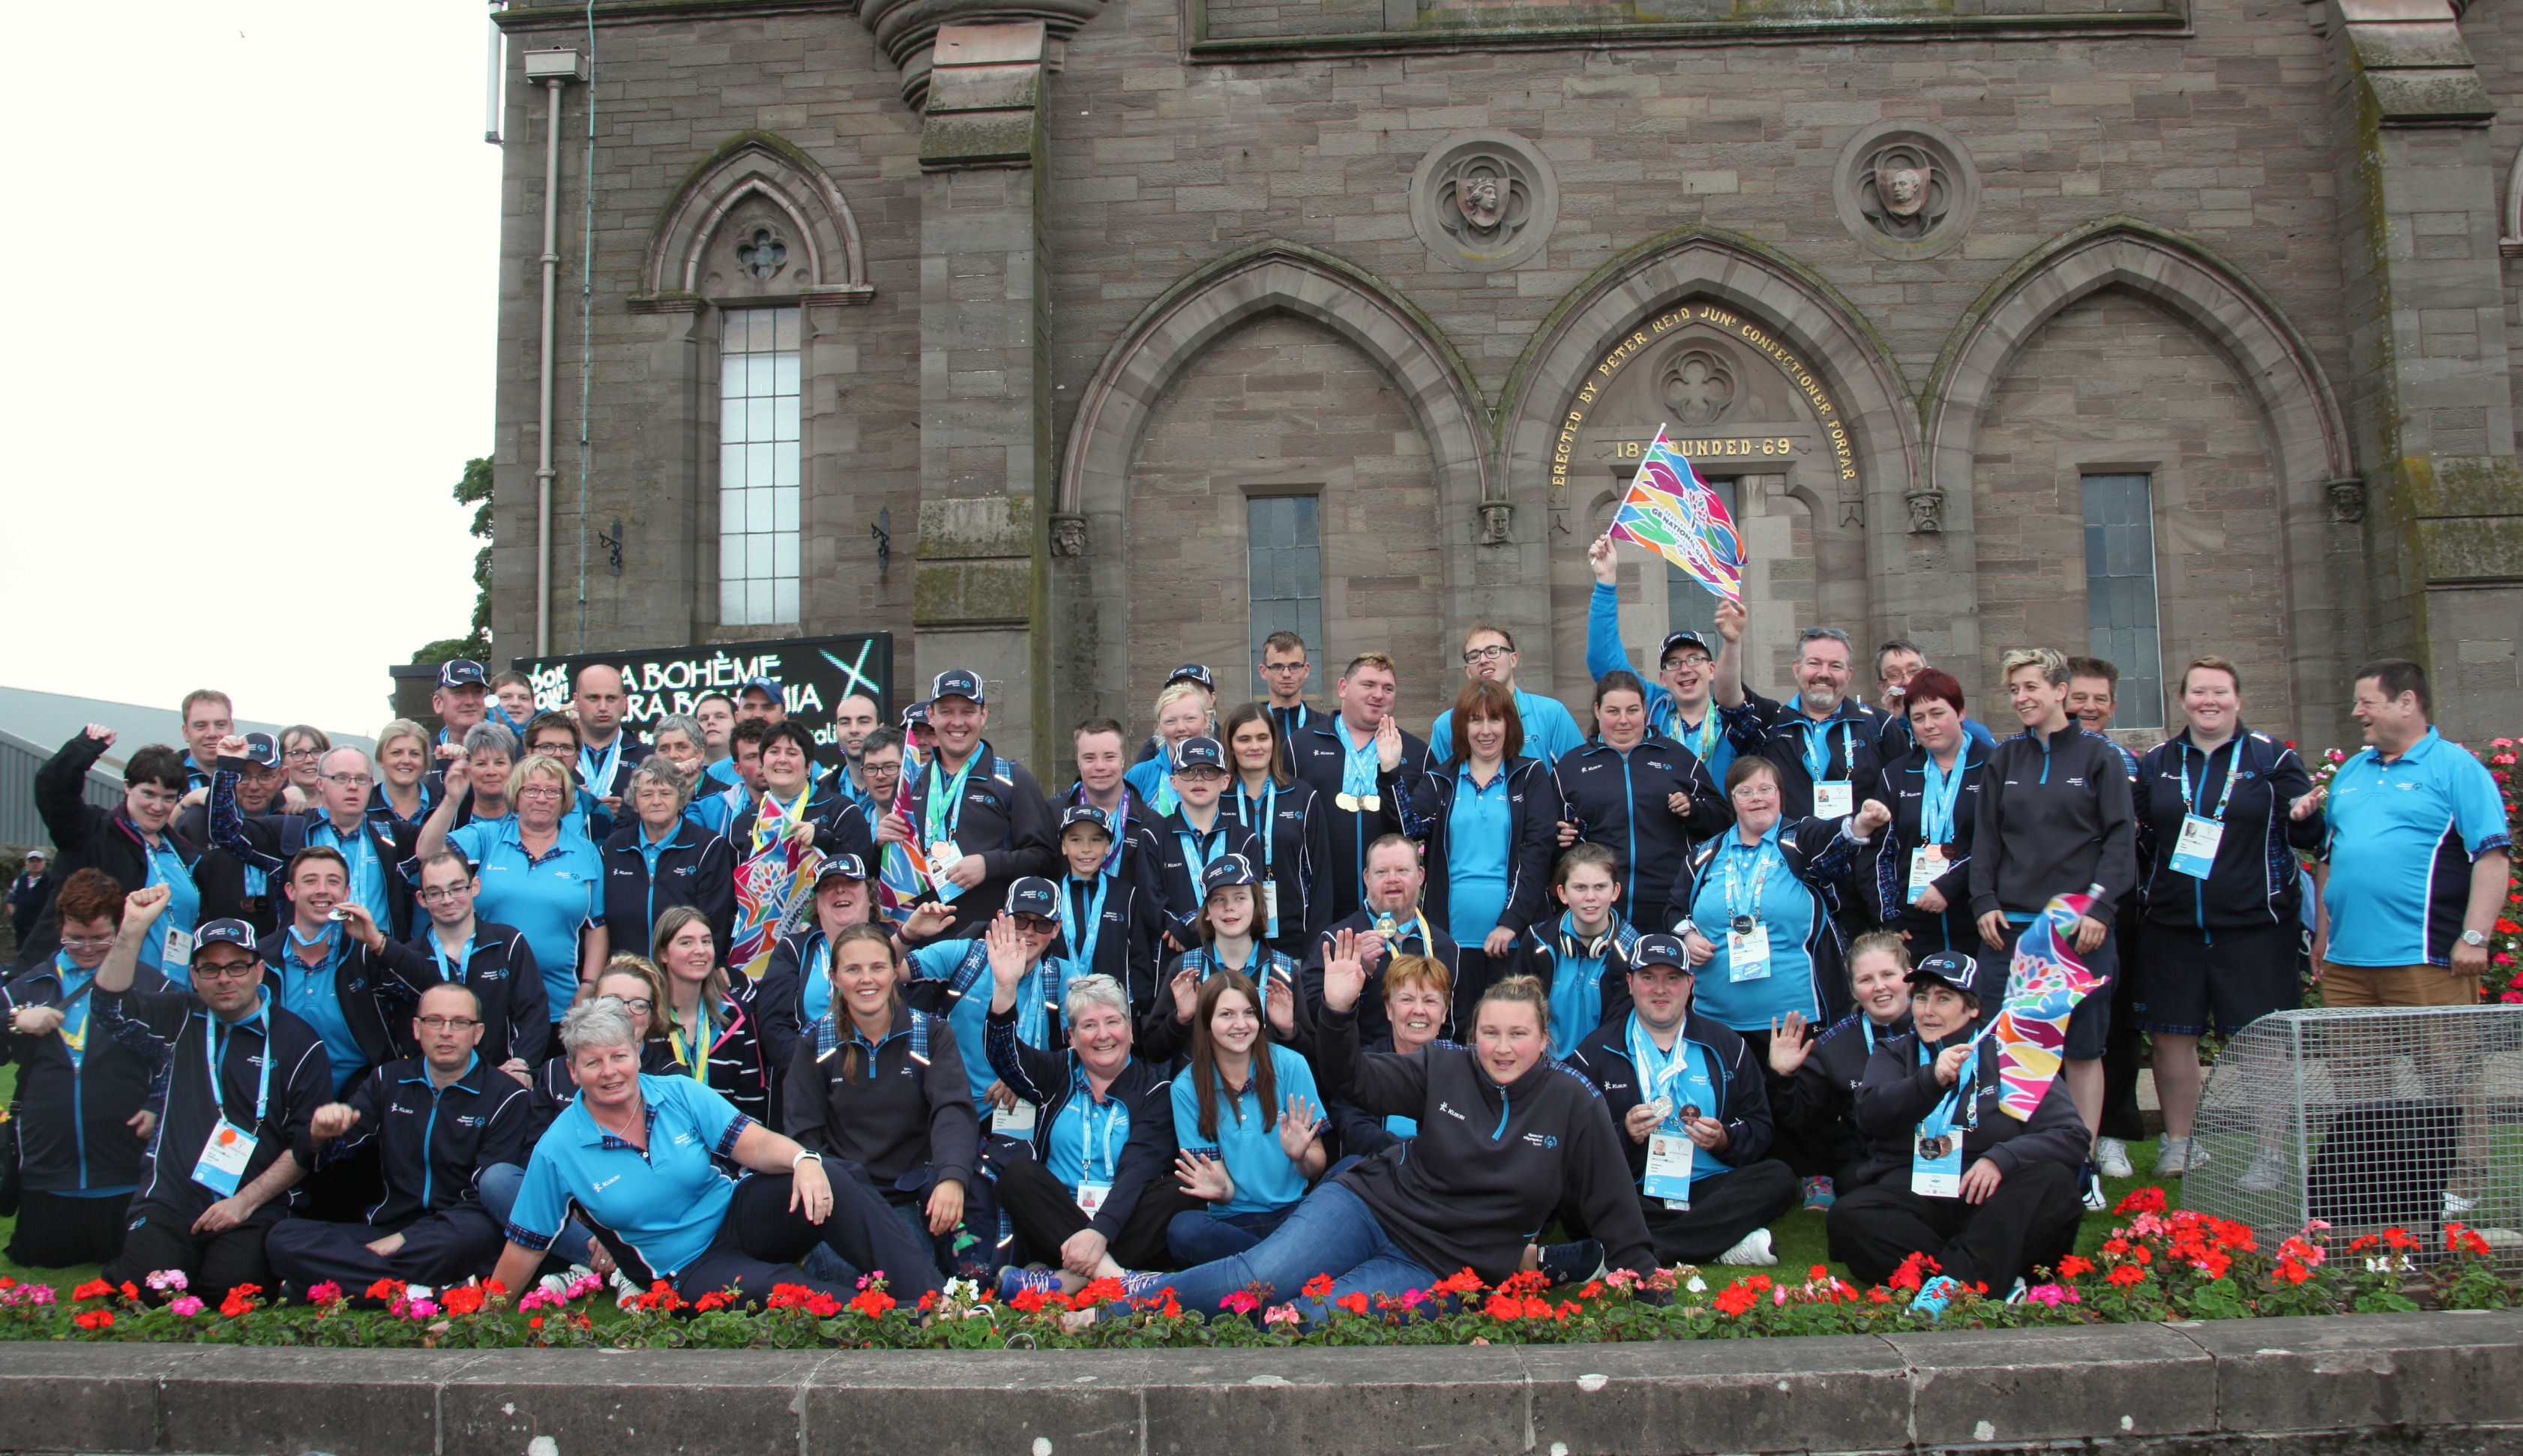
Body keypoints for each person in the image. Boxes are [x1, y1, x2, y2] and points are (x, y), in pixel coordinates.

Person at [1152, 942, 1656, 1321]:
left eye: (1518, 1035)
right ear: (1471, 1032)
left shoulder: (1573, 1101)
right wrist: (1337, 1011)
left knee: (1308, 1319)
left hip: (1442, 1265)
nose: (1502, 1049)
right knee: (1260, 1279)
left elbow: (1613, 1202)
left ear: (1545, 1039)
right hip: (1370, 1207)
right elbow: (1354, 1080)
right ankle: (1121, 1303)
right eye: (1490, 1033)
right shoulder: (1444, 1065)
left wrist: (1651, 1286)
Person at [487, 997, 945, 1306]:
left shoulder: (676, 1092)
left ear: (637, 1053)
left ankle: (937, 1302)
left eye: (619, 1056)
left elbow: (756, 1144)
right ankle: (907, 1320)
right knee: (791, 1290)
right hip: (684, 1270)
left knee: (834, 1176)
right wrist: (481, 1317)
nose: (610, 1072)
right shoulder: (558, 1149)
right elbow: (526, 1245)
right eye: (593, 1062)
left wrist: (804, 1160)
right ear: (572, 1070)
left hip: (736, 1215)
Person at [2130, 657, 2324, 1178]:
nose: (2207, 701)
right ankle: (2180, 1144)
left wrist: (2307, 816)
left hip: (2254, 928)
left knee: (2262, 1042)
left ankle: (2269, 1154)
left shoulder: (2272, 758)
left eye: (2218, 692)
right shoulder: (2158, 762)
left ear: (2237, 699)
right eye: (2197, 692)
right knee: (2173, 1036)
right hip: (2171, 926)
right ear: (2183, 699)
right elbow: (2142, 839)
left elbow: (2305, 837)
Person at [93, 894, 332, 1300]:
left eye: (237, 966)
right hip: (171, 1199)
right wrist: (131, 929)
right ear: (194, 976)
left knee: (230, 1292)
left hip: (254, 1204)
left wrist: (243, 1203)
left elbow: (306, 1147)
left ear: (259, 971)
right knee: (148, 1290)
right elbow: (110, 1010)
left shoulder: (298, 1041)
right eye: (211, 968)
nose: (224, 978)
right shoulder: (177, 1019)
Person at [1829, 952, 2090, 1311]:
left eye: (1943, 998)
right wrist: (1930, 1080)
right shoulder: (1894, 1052)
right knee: (1850, 1216)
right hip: (1918, 1192)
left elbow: (2072, 1135)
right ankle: (1987, 1281)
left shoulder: (2015, 1057)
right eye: (1921, 997)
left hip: (1993, 1194)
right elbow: (1871, 1116)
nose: (1927, 1010)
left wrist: (2002, 1158)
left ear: (1973, 1009)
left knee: (2052, 1182)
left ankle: (1950, 1289)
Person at [1967, 647, 2137, 1157]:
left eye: (2030, 687)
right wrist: (1982, 901)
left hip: (2074, 934)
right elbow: (1986, 841)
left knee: (2082, 1050)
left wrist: (2099, 909)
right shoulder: (2004, 757)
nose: (2020, 698)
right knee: (2001, 1051)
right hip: (2009, 934)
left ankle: (2078, 1163)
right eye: (2013, 689)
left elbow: (2119, 841)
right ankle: (2011, 1156)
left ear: (2060, 691)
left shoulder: (2099, 757)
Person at [263, 983, 535, 1296]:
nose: (446, 1032)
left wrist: (409, 1239)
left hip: (455, 1232)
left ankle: (329, 1284)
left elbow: (489, 1194)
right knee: (282, 1237)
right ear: (417, 1029)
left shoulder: (507, 1095)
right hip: (386, 1226)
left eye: (460, 1022)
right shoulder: (387, 1080)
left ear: (478, 1033)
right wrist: (317, 1138)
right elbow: (329, 1155)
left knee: (474, 1240)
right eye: (434, 1021)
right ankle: (426, 1293)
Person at [1560, 933, 1797, 1268]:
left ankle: (1645, 1249)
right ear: (1629, 983)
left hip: (1707, 1187)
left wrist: (1725, 1139)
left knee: (1779, 1178)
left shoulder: (1728, 1045)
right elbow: (1575, 1148)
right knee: (1574, 1196)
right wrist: (1624, 1135)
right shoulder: (1594, 1052)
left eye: (1672, 978)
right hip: (1636, 1189)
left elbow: (1759, 1128)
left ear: (1690, 984)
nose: (1660, 989)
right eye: (1648, 978)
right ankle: (1718, 1244)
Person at [781, 922, 978, 1277]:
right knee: (836, 1280)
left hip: (910, 1195)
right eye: (853, 969)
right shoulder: (815, 1042)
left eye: (877, 968)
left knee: (911, 1285)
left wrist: (952, 1177)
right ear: (835, 977)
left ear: (893, 972)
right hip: (842, 1197)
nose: (866, 979)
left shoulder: (931, 1034)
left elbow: (952, 1111)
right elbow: (803, 1129)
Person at [981, 960, 1183, 1299]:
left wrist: (1099, 1231)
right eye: (1089, 1025)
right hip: (1055, 1226)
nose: (1103, 1035)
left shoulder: (1155, 1090)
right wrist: (1005, 991)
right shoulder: (1058, 1070)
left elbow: (1139, 1170)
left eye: (1113, 1022)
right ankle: (1119, 1279)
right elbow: (1004, 1056)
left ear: (1131, 1032)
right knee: (1017, 1175)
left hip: (1121, 1222)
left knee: (1180, 1193)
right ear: (1072, 1037)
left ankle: (1061, 1282)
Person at [2315, 658, 2511, 1007]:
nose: (2356, 712)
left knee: (2442, 1064)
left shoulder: (2457, 768)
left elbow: (2492, 857)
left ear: (2406, 702)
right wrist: (2322, 935)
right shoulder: (2349, 772)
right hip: (2345, 966)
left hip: (2426, 961)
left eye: (2367, 702)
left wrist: (2475, 938)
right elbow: (2329, 859)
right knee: (2353, 1065)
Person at [1671, 757, 1888, 1059]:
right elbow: (1675, 909)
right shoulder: (1705, 855)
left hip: (1798, 1023)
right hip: (1716, 1024)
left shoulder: (1800, 840)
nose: (1757, 798)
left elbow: (1832, 838)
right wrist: (1688, 937)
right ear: (1732, 800)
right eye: (1745, 791)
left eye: (1765, 789)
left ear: (1780, 795)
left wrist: (1861, 824)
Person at [1, 870, 162, 1267]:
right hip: (47, 1170)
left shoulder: (150, 985)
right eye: (75, 938)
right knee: (39, 1261)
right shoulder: (29, 985)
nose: (86, 949)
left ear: (118, 928)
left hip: (123, 1167)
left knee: (124, 1265)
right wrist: (14, 1019)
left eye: (99, 938)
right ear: (60, 928)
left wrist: (157, 1103)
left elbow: (179, 1056)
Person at [420, 753, 609, 1023]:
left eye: (552, 791)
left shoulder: (586, 852)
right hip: (484, 999)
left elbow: (597, 926)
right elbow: (427, 853)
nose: (542, 799)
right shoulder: (487, 837)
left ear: (566, 798)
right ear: (515, 795)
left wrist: (589, 985)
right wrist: (452, 800)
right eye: (531, 790)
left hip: (559, 1005)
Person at [878, 669, 1057, 936]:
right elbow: (893, 871)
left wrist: (990, 865)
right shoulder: (910, 784)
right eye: (947, 712)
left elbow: (1046, 859)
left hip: (989, 947)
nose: (957, 722)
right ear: (931, 716)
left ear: (983, 715)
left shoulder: (1012, 780)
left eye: (967, 712)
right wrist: (880, 845)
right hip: (921, 946)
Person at [1167, 969, 1326, 1264]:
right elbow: (1223, 1191)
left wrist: (1300, 1155)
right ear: (1206, 1022)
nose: (1241, 1025)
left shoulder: (1291, 1065)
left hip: (1295, 1216)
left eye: (1249, 1013)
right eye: (1227, 1014)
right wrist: (1219, 1189)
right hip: (1234, 1225)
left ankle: (1258, 1271)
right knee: (1184, 1229)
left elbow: (1315, 1166)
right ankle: (1283, 1267)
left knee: (1347, 1189)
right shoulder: (1186, 1088)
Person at [1413, 680, 1557, 999]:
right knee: (1456, 1036)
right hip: (1450, 941)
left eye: (1495, 719)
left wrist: (1511, 922)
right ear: (1462, 726)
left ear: (1510, 724)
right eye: (1475, 720)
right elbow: (1409, 830)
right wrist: (1391, 773)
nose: (1486, 730)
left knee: (1509, 1030)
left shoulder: (1531, 776)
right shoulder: (1439, 780)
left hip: (1514, 940)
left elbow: (1537, 855)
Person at [2063, 654, 2150, 1178]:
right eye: (2079, 697)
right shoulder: (2032, 757)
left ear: (2112, 705)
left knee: (2112, 1030)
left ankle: (2111, 1135)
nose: (2088, 707)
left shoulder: (2129, 762)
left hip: (2112, 912)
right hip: (2051, 916)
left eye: (2099, 699)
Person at [1552, 670, 1731, 922]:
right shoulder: (1571, 768)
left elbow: (1723, 821)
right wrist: (1561, 838)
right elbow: (1546, 836)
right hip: (1599, 911)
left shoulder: (1677, 758)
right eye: (1613, 711)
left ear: (1645, 710)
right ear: (1597, 711)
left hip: (1671, 905)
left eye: (1632, 710)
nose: (1623, 720)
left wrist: (1694, 809)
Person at [27, 729, 200, 978]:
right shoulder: (90, 830)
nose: (157, 807)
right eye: (148, 794)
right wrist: (83, 748)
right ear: (128, 787)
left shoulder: (183, 852)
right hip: (96, 984)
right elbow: (53, 790)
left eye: (168, 798)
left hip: (168, 990)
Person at [211, 738, 421, 941]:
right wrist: (229, 768)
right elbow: (227, 834)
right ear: (320, 783)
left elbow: (444, 846)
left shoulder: (392, 834)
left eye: (361, 779)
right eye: (341, 778)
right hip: (309, 960)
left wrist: (451, 794)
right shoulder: (291, 829)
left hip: (376, 962)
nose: (353, 786)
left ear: (371, 785)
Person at [259, 848, 427, 1099]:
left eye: (333, 881)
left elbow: (429, 991)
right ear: (290, 891)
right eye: (310, 880)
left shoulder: (365, 952)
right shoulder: (262, 958)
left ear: (346, 893)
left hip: (359, 1093)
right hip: (280, 1090)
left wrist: (378, 942)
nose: (322, 890)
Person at [903, 882, 1077, 1124]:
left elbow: (1084, 1051)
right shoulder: (965, 956)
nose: (1028, 931)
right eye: (1019, 920)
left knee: (1019, 1162)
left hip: (1019, 1110)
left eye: (1043, 924)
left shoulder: (1062, 978)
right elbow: (884, 972)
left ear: (1056, 929)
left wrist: (1025, 1074)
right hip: (947, 1103)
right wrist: (907, 934)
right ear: (1000, 918)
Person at [1766, 933, 1917, 1200]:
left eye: (1888, 975)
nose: (1879, 987)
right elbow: (1795, 1117)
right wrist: (1782, 1075)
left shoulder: (1937, 1027)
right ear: (1853, 989)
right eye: (1866, 980)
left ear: (1910, 977)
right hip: (1871, 1160)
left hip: (1934, 1149)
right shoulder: (1832, 1045)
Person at [1286, 653, 1432, 924]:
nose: (1378, 695)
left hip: (1392, 910)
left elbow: (1417, 833)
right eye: (1368, 685)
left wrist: (1392, 772)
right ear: (1343, 688)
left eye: (1387, 688)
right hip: (1319, 906)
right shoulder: (1300, 746)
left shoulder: (1417, 753)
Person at [1584, 534, 1748, 775]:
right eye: (1673, 663)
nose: (1684, 669)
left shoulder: (1733, 719)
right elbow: (1604, 659)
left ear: (1712, 670)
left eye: (1694, 659)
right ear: (1663, 678)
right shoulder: (1650, 706)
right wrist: (1606, 581)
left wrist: (1732, 642)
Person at [727, 720, 876, 979]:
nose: (782, 759)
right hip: (759, 948)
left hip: (828, 944)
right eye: (774, 752)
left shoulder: (840, 810)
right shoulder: (743, 823)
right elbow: (730, 891)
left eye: (792, 753)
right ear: (762, 764)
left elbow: (867, 870)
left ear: (808, 767)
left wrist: (822, 840)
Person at [1855, 669, 1987, 957]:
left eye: (1938, 713)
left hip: (1980, 923)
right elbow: (1878, 852)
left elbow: (2000, 842)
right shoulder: (1897, 773)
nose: (1929, 725)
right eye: (1918, 718)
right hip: (1915, 930)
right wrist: (1889, 915)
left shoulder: (1994, 766)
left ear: (1961, 712)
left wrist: (1949, 885)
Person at [1299, 834, 1464, 1044]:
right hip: (1361, 1068)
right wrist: (1360, 977)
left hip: (1427, 1068)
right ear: (1367, 878)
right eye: (1382, 872)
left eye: (1402, 870)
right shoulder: (1337, 941)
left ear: (1420, 876)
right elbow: (1312, 1021)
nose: (1392, 879)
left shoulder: (1446, 947)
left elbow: (1455, 1028)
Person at [1717, 622, 1886, 822]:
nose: (1824, 673)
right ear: (1796, 668)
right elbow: (1728, 700)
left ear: (1849, 674)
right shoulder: (1772, 721)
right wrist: (1731, 641)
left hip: (1860, 848)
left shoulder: (1879, 725)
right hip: (1790, 849)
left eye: (1835, 665)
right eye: (1814, 663)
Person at [1145, 856, 1302, 1065]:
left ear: (1256, 905)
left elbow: (1313, 1054)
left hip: (1271, 1090)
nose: (1230, 907)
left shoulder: (1283, 971)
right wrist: (1180, 1018)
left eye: (1240, 898)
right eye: (1219, 899)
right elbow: (1153, 1051)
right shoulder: (1185, 970)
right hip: (1202, 1092)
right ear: (1207, 912)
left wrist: (1288, 1030)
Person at [405, 849, 549, 1071]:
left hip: (502, 1076)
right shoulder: (410, 957)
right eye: (434, 893)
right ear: (421, 899)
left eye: (456, 888)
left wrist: (521, 1064)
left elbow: (533, 1012)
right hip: (436, 1081)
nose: (447, 900)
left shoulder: (508, 943)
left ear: (475, 887)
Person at [654, 905, 795, 1126]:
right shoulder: (644, 1020)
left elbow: (750, 1105)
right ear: (663, 953)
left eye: (706, 941)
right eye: (686, 942)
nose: (700, 950)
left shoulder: (737, 1017)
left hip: (726, 1154)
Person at [1500, 843, 1638, 1059]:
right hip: (1544, 1065)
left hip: (1604, 1067)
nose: (1590, 897)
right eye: (1580, 888)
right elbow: (1515, 1008)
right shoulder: (1538, 940)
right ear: (1562, 893)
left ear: (1616, 891)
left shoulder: (1632, 951)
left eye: (1600, 887)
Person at [1219, 701, 1331, 954]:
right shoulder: (1217, 799)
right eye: (1244, 739)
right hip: (1231, 943)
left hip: (1294, 943)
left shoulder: (1303, 796)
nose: (1255, 746)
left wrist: (1315, 945)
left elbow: (1321, 876)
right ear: (1231, 745)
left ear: (1274, 742)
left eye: (1262, 737)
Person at [601, 755, 737, 960]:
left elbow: (716, 921)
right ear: (634, 802)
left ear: (681, 799)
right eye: (647, 794)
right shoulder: (613, 847)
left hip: (685, 974)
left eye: (665, 793)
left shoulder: (708, 847)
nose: (656, 802)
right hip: (626, 975)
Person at [1321, 954, 1451, 1160]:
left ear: (1444, 1012)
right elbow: (1354, 1129)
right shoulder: (1362, 1064)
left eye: (1430, 1001)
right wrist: (1412, 1155)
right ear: (1389, 1009)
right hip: (1375, 1167)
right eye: (1407, 999)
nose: (1419, 1010)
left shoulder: (1463, 1065)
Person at [1049, 806, 1164, 1017]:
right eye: (1075, 840)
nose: (1086, 849)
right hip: (1061, 1015)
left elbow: (1139, 955)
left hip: (1115, 1012)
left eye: (1095, 840)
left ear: (1108, 846)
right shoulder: (1051, 897)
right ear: (1063, 846)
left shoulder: (1127, 894)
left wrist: (1136, 1003)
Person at [1149, 737, 1263, 950]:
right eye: (1189, 771)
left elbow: (1251, 901)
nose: (1198, 779)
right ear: (1174, 782)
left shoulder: (1245, 840)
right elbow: (1151, 900)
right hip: (1172, 952)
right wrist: (1177, 928)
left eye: (1209, 772)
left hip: (1230, 953)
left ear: (1225, 781)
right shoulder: (1154, 837)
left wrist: (1191, 928)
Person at [1426, 625, 1587, 767]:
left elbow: (1580, 776)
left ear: (1513, 659)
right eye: (1475, 656)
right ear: (1468, 671)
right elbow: (1437, 787)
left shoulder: (1551, 713)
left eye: (1493, 651)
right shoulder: (1446, 725)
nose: (1483, 660)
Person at [175, 733, 286, 936]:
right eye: (243, 775)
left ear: (282, 777)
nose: (254, 786)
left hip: (276, 949)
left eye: (265, 775)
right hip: (213, 948)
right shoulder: (200, 821)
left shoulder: (293, 824)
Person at [759, 857, 880, 1031]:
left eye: (851, 881)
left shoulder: (896, 942)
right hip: (811, 1054)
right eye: (828, 885)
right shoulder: (792, 950)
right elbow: (774, 1025)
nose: (839, 889)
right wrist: (803, 1058)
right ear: (817, 903)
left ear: (870, 896)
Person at [1062, 717, 1167, 906]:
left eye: (1109, 757)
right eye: (1089, 758)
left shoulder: (1153, 824)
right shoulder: (1053, 815)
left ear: (1123, 758)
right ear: (1077, 761)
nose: (1100, 766)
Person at [1869, 641, 1997, 761]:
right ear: (1882, 687)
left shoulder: (1974, 732)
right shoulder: (1875, 735)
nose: (1907, 681)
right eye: (1894, 675)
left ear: (1928, 673)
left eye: (1914, 671)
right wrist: (1891, 725)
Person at [1122, 681, 1216, 816]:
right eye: (1171, 721)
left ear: (1206, 720)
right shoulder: (1140, 775)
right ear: (1160, 726)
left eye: (1190, 719)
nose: (1181, 728)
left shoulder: (1221, 772)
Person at [571, 664, 652, 815]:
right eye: (593, 698)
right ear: (576, 701)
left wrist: (627, 813)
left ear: (624, 702)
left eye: (611, 698)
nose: (603, 707)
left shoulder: (648, 759)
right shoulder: (556, 756)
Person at [693, 717, 769, 837]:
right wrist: (684, 790)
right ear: (738, 769)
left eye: (768, 753)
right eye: (752, 757)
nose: (762, 764)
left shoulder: (806, 802)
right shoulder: (708, 810)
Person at [1256, 631, 1323, 746]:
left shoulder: (1325, 727)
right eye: (1277, 667)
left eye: (1295, 666)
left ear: (1306, 670)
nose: (1286, 674)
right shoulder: (1248, 726)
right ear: (1263, 672)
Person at [369, 719, 436, 833]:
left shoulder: (442, 804)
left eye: (415, 754)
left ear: (425, 762)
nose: (406, 760)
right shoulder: (365, 806)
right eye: (396, 753)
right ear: (380, 759)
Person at [830, 694, 885, 810]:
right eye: (845, 723)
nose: (853, 730)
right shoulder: (821, 790)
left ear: (881, 730)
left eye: (864, 722)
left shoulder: (902, 787)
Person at [177, 689, 238, 792]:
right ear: (186, 732)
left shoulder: (250, 777)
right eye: (201, 726)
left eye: (220, 725)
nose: (212, 734)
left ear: (232, 729)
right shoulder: (164, 773)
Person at [7, 848, 52, 946]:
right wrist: (16, 917)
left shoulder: (51, 881)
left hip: (43, 928)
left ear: (44, 863)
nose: (35, 864)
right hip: (22, 928)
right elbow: (10, 901)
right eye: (32, 861)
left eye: (38, 861)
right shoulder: (19, 880)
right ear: (26, 864)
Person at [279, 726, 334, 805]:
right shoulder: (272, 805)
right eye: (297, 753)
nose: (309, 760)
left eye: (316, 751)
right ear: (282, 760)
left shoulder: (342, 804)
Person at [488, 669, 539, 738]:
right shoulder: (473, 746)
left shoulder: (553, 741)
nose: (516, 703)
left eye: (524, 698)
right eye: (506, 697)